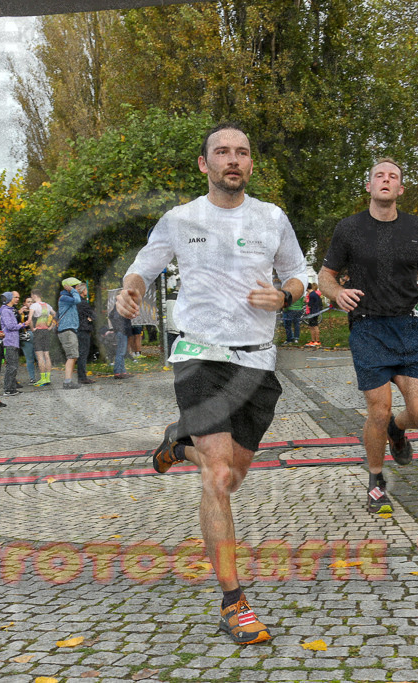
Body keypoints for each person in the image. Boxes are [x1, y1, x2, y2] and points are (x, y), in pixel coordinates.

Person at [116, 122, 308, 645]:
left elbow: (298, 272)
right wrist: (129, 291)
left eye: (242, 152)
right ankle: (233, 603)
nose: (233, 160)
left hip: (257, 362)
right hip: (200, 355)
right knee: (219, 476)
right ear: (204, 164)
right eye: (222, 152)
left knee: (235, 473)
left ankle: (179, 444)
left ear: (251, 163)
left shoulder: (272, 218)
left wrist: (286, 296)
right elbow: (143, 266)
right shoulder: (182, 219)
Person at [318, 157, 418, 514]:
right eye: (379, 174)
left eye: (393, 176)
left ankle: (399, 430)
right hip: (367, 327)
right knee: (378, 409)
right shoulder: (348, 229)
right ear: (369, 186)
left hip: (408, 327)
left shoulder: (417, 227)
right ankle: (376, 478)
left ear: (400, 189)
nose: (385, 180)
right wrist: (336, 293)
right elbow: (325, 276)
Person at [57, 277, 83, 390]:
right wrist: (72, 290)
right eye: (76, 287)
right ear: (70, 287)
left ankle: (69, 381)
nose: (77, 289)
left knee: (74, 356)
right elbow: (78, 300)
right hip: (67, 330)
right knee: (72, 356)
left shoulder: (67, 297)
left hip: (70, 329)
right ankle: (67, 382)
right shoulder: (64, 298)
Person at [0, 291, 26, 396]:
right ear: (10, 299)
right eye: (15, 297)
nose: (17, 299)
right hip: (9, 341)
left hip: (14, 341)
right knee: (11, 366)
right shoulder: (6, 311)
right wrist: (22, 325)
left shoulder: (10, 310)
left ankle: (12, 388)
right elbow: (10, 326)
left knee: (14, 366)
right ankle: (7, 389)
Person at [29, 291, 56, 386]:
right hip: (46, 331)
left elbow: (29, 320)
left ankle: (43, 378)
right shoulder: (47, 305)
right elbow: (55, 314)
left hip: (38, 332)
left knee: (40, 356)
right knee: (47, 355)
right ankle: (48, 378)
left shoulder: (34, 306)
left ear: (34, 295)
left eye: (31, 296)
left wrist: (32, 329)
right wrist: (51, 326)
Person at [76, 283, 97, 384]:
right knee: (83, 353)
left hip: (78, 328)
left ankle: (81, 376)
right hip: (83, 329)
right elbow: (93, 314)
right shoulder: (83, 302)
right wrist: (90, 318)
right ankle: (82, 377)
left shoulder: (76, 302)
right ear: (83, 291)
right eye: (86, 290)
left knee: (81, 353)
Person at [108, 303, 133, 379]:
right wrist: (120, 328)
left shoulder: (117, 308)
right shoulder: (120, 308)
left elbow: (111, 316)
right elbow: (116, 318)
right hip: (122, 331)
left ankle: (123, 371)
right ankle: (118, 372)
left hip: (121, 331)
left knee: (122, 352)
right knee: (120, 352)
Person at [19, 296, 37, 385]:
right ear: (24, 303)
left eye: (32, 302)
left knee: (39, 356)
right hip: (26, 336)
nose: (30, 303)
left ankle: (44, 376)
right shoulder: (21, 313)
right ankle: (32, 378)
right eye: (28, 302)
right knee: (29, 358)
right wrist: (19, 313)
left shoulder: (36, 312)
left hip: (37, 335)